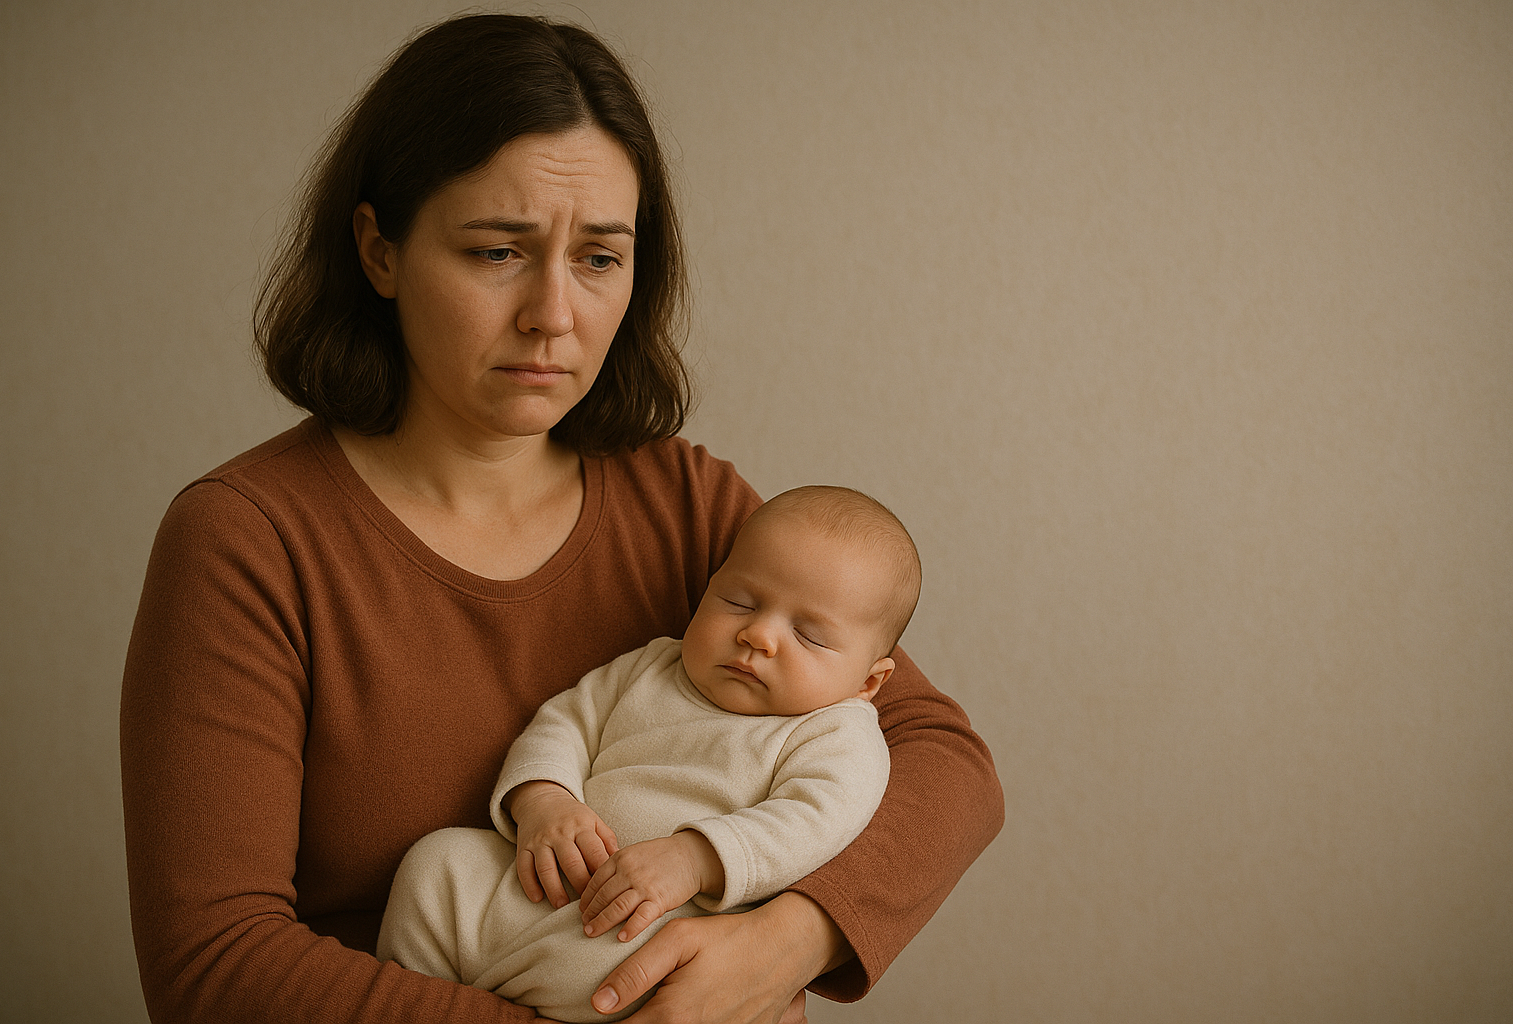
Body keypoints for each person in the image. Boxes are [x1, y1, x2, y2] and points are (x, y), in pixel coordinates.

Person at [119, 13, 1004, 1024]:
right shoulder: (247, 542)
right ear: (379, 251)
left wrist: (786, 936)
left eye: (598, 257)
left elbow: (947, 764)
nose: (555, 312)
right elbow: (214, 969)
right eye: (498, 251)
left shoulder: (685, 504)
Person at [378, 486, 917, 1021]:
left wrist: (696, 858)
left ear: (869, 682)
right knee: (438, 864)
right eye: (739, 602)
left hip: (661, 917)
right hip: (548, 879)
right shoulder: (655, 664)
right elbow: (567, 723)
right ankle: (417, 995)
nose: (758, 635)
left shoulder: (836, 732)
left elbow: (817, 818)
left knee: (658, 967)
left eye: (809, 635)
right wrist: (545, 799)